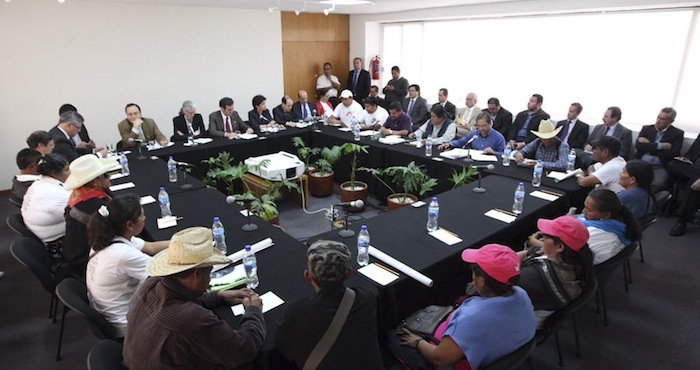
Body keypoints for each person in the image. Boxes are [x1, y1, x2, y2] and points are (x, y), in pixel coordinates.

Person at [124, 227, 265, 369]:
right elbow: (244, 350)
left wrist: (218, 296)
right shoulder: (193, 318)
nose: (209, 281)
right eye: (208, 273)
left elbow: (180, 303)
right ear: (196, 274)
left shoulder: (150, 285)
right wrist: (254, 310)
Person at [392, 244, 536, 370]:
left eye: (474, 272)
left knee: (392, 336)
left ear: (481, 282)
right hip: (500, 352)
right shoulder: (521, 294)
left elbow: (439, 358)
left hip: (449, 360)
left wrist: (417, 342)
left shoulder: (472, 318)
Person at [276, 240, 383, 370]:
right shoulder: (367, 297)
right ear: (349, 273)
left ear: (307, 276)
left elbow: (285, 350)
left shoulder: (295, 312)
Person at [86, 194, 169, 338]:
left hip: (112, 314)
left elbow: (151, 247)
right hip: (127, 326)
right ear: (130, 225)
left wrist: (182, 241)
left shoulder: (106, 238)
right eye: (142, 215)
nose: (145, 218)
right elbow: (166, 273)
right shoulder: (122, 254)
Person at [517, 216, 594, 327]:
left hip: (522, 323)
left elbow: (499, 289)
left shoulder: (536, 276)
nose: (543, 238)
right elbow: (525, 254)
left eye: (546, 237)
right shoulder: (577, 262)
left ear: (560, 246)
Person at [63, 155, 126, 276]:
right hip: (88, 263)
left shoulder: (80, 194)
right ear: (94, 181)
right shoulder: (95, 206)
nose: (110, 176)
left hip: (75, 253)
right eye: (106, 175)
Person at [577, 189, 641, 264]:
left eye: (588, 209)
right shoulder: (623, 224)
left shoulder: (591, 234)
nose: (583, 211)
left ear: (606, 215)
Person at [21, 154, 71, 249]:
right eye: (66, 170)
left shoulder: (40, 182)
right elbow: (79, 218)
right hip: (56, 243)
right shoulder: (54, 194)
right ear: (54, 173)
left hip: (40, 233)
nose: (70, 173)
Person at [633, 107, 684, 191]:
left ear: (671, 121)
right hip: (640, 163)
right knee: (630, 181)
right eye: (658, 117)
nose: (658, 121)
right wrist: (661, 146)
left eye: (663, 119)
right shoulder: (647, 129)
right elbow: (639, 146)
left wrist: (649, 146)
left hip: (660, 167)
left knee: (657, 184)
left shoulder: (677, 134)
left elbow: (673, 153)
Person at [667, 133, 700, 236]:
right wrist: (686, 159)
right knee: (673, 165)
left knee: (692, 186)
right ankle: (696, 178)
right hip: (694, 170)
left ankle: (682, 221)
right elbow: (692, 152)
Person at [438, 112, 506, 155]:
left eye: (484, 125)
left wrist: (494, 153)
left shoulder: (498, 137)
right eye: (479, 126)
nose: (481, 129)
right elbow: (461, 142)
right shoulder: (474, 134)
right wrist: (449, 144)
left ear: (490, 124)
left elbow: (503, 154)